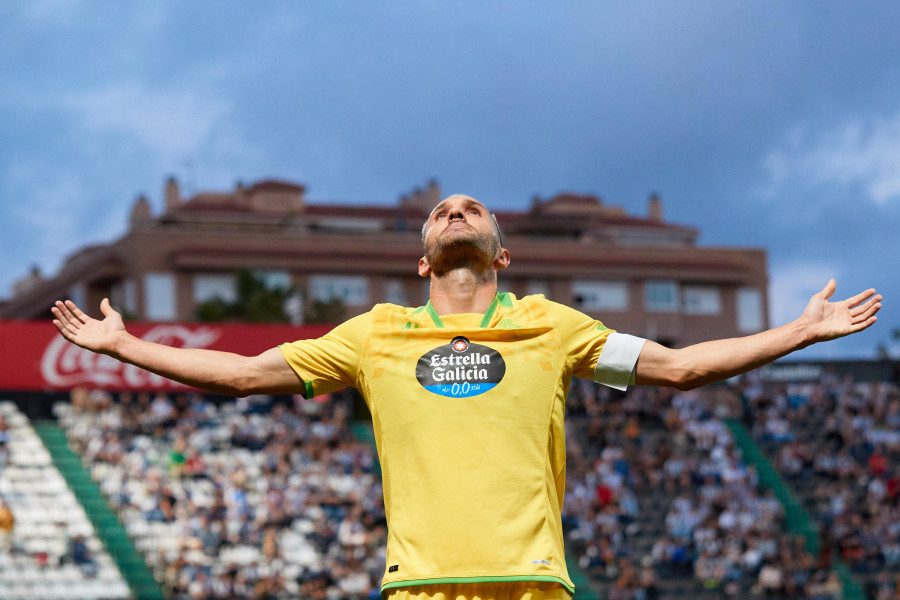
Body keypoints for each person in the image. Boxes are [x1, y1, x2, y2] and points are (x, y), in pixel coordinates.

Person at [52, 194, 881, 600]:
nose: (455, 211)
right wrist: (126, 347)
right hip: (421, 586)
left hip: (532, 582)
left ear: (501, 253)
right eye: (442, 212)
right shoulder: (375, 334)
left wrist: (798, 332)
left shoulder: (552, 327)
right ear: (422, 263)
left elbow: (681, 366)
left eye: (472, 209)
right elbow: (242, 374)